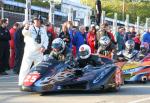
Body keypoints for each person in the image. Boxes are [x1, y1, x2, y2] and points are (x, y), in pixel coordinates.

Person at [19, 15, 48, 86]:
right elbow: (24, 33)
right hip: (30, 51)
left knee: (38, 69)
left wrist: (44, 46)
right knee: (25, 67)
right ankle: (21, 82)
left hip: (39, 52)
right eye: (35, 20)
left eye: (38, 20)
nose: (37, 21)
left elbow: (46, 39)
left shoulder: (43, 29)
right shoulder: (30, 28)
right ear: (33, 21)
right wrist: (26, 28)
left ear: (41, 21)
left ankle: (36, 82)